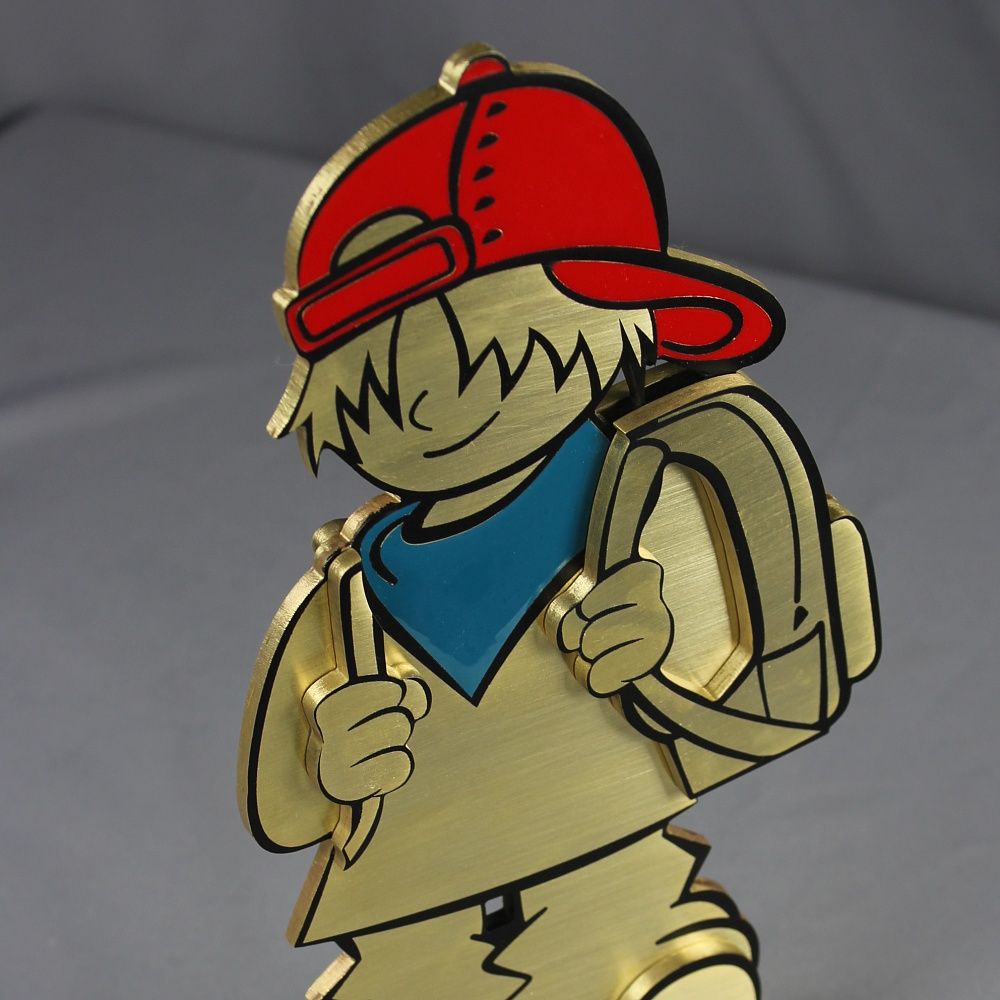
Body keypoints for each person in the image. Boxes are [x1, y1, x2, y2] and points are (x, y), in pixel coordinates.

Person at [238, 44, 879, 1000]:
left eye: (499, 365)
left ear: (621, 326)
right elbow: (283, 812)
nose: (429, 411)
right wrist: (328, 758)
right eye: (382, 391)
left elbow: (796, 650)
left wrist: (666, 650)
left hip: (614, 861)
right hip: (417, 914)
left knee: (665, 963)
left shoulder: (657, 499)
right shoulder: (350, 605)